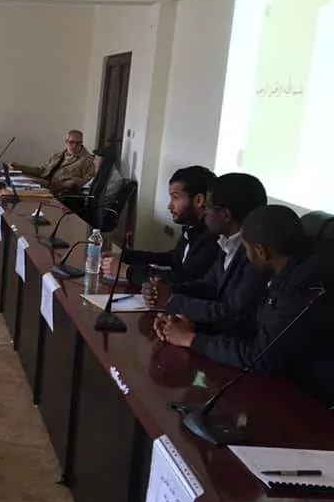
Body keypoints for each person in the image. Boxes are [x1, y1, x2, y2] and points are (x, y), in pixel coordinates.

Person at [156, 205, 334, 406]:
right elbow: (257, 322)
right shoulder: (292, 270)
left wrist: (191, 339)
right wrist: (194, 328)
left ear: (261, 252)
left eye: (246, 248)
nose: (245, 255)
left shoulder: (306, 286)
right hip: (288, 380)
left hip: (312, 400)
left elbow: (261, 357)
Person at [145, 173, 269, 323]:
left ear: (226, 215)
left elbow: (231, 312)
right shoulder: (226, 243)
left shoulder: (255, 257)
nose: (204, 213)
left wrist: (171, 300)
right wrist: (166, 290)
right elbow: (208, 285)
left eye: (207, 207)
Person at [107, 166, 219, 287]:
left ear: (199, 200)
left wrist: (126, 271)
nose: (170, 206)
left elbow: (183, 280)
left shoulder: (212, 238)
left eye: (175, 198)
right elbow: (173, 258)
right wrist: (126, 257)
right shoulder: (193, 229)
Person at [11, 130, 95, 192]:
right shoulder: (58, 156)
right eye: (71, 142)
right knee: (19, 180)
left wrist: (74, 182)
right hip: (45, 183)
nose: (74, 146)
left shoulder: (87, 160)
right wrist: (19, 167)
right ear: (66, 142)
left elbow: (90, 180)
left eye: (78, 143)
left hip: (61, 189)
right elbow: (41, 170)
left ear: (81, 143)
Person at [61, 146, 123, 217]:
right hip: (87, 203)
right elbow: (86, 188)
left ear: (103, 161)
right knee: (64, 196)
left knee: (65, 200)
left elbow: (98, 198)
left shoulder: (113, 177)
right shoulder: (103, 173)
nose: (94, 162)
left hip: (94, 211)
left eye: (96, 159)